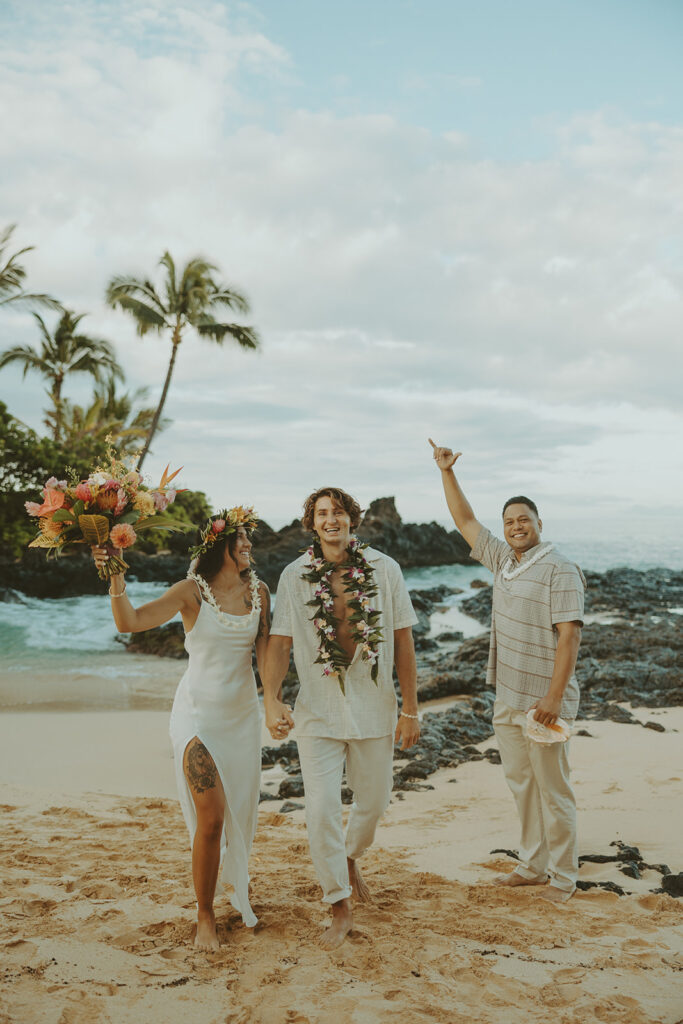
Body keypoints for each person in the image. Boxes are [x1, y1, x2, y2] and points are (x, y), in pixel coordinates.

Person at [92, 506, 270, 947]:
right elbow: (129, 623)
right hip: (197, 716)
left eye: (248, 539)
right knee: (211, 818)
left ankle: (230, 886)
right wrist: (116, 577)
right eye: (240, 539)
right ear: (218, 545)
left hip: (243, 716)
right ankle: (205, 915)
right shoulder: (192, 592)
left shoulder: (260, 592)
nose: (248, 545)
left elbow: (267, 654)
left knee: (239, 816)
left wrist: (276, 702)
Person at [262, 487, 420, 949]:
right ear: (312, 523)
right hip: (319, 712)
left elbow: (404, 641)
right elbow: (280, 642)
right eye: (322, 513)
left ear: (354, 519)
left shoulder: (385, 569)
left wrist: (410, 708)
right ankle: (339, 902)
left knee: (374, 802)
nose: (332, 520)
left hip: (374, 707)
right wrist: (271, 699)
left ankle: (351, 856)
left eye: (339, 512)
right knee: (321, 810)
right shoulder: (294, 576)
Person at [429, 440, 585, 903]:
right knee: (522, 785)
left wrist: (554, 699)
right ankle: (533, 864)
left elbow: (570, 637)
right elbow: (464, 522)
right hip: (508, 697)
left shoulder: (561, 568)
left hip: (544, 702)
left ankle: (563, 876)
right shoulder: (504, 562)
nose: (516, 527)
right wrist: (447, 473)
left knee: (554, 790)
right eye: (510, 522)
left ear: (540, 524)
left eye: (524, 520)